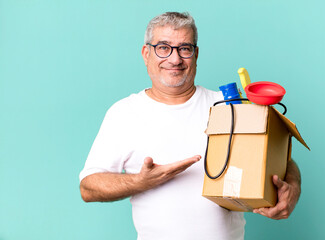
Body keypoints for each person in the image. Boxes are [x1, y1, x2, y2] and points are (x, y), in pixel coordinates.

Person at [79, 12, 301, 240]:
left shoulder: (228, 108)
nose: (175, 59)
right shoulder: (124, 113)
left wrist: (292, 188)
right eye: (163, 48)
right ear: (146, 53)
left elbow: (281, 158)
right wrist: (141, 182)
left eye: (184, 48)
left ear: (196, 54)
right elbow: (88, 186)